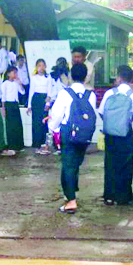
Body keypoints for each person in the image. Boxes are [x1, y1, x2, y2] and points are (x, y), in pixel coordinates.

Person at [48, 62, 97, 215]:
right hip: (84, 135)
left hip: (68, 133)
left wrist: (51, 129)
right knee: (75, 164)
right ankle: (71, 192)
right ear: (85, 77)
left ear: (70, 75)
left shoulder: (65, 93)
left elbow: (56, 115)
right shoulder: (91, 95)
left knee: (68, 165)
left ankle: (71, 201)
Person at [98, 65, 133, 206]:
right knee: (125, 165)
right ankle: (124, 197)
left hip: (110, 134)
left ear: (118, 77)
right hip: (125, 134)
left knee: (110, 163)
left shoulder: (109, 93)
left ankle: (109, 196)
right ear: (130, 79)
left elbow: (101, 112)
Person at [28, 59, 52, 154]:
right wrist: (29, 105)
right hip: (36, 99)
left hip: (44, 99)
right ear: (36, 67)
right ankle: (36, 145)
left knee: (44, 122)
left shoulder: (48, 77)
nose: (41, 67)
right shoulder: (33, 78)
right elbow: (31, 91)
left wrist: (48, 104)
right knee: (36, 123)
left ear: (45, 67)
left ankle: (44, 145)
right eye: (39, 65)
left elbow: (49, 90)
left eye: (43, 65)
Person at [1, 66, 25, 152]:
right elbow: (3, 97)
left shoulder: (16, 83)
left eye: (16, 73)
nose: (15, 74)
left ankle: (19, 145)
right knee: (10, 126)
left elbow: (22, 92)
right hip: (8, 104)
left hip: (15, 104)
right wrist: (3, 108)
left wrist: (20, 83)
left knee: (18, 125)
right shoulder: (5, 84)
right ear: (8, 74)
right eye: (14, 72)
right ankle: (12, 145)